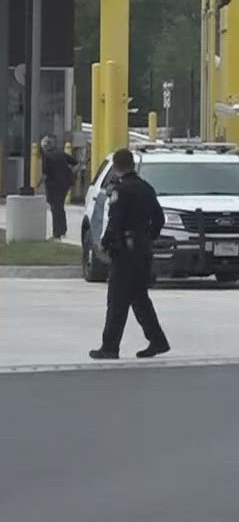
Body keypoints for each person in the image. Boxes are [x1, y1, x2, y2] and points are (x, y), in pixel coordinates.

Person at [90, 148, 170, 360]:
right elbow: (159, 219)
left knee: (117, 300)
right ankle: (158, 340)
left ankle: (109, 347)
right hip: (142, 252)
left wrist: (106, 242)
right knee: (139, 298)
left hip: (124, 253)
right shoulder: (146, 188)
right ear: (132, 165)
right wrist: (148, 238)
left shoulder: (121, 190)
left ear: (116, 167)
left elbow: (116, 220)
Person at [40, 136, 78, 240]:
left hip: (53, 186)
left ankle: (57, 232)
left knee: (55, 208)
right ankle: (62, 230)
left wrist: (38, 185)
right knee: (60, 207)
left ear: (44, 147)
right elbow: (76, 162)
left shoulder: (46, 157)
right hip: (65, 184)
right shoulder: (61, 154)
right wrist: (71, 173)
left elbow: (45, 174)